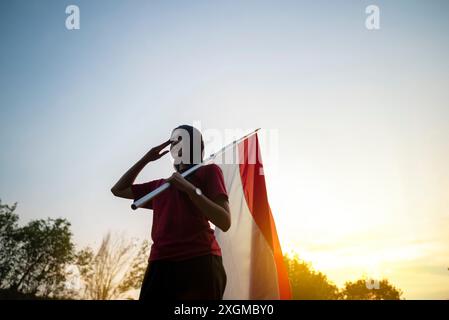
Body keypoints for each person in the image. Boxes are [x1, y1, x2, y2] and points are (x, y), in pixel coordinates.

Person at [111, 125, 230, 300]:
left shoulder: (209, 172)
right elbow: (118, 190)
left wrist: (190, 190)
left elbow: (224, 221)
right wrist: (147, 158)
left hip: (200, 260)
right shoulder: (159, 186)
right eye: (172, 139)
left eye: (181, 138)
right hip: (160, 263)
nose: (174, 142)